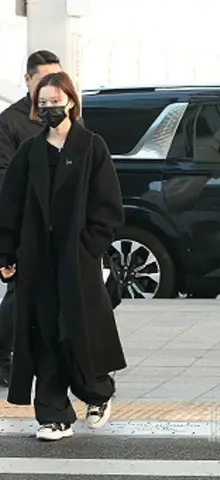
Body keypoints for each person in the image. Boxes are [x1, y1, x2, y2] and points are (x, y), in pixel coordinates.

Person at [0, 71, 126, 441]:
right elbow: (10, 206)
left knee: (79, 329)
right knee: (44, 333)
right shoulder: (30, 152)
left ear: (70, 100)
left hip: (78, 258)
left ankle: (98, 394)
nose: (50, 108)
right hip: (37, 258)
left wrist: (89, 247)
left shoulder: (91, 147)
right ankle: (53, 415)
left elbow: (109, 207)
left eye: (56, 101)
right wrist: (5, 252)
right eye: (43, 103)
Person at [0, 50, 61, 388]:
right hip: (26, 222)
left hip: (62, 222)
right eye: (44, 78)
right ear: (28, 80)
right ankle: (2, 356)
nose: (50, 87)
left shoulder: (70, 119)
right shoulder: (11, 121)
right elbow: (4, 178)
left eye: (57, 78)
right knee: (19, 293)